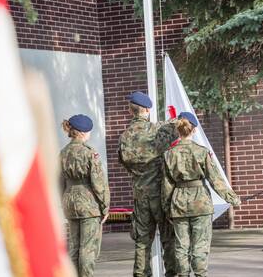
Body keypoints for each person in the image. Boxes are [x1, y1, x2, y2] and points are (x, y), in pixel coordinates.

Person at [161, 112, 241, 277]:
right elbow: (215, 179)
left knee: (181, 247)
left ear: (178, 130)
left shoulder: (169, 154)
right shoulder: (202, 152)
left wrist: (167, 208)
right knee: (200, 245)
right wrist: (233, 198)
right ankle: (200, 274)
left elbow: (167, 185)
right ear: (194, 130)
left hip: (178, 203)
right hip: (201, 203)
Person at [118, 91, 178, 277]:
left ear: (131, 111)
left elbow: (123, 162)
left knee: (142, 242)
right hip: (161, 195)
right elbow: (175, 129)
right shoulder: (156, 130)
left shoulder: (124, 137)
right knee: (168, 239)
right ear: (147, 110)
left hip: (140, 195)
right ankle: (172, 273)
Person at [60, 114, 110, 277]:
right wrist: (105, 206)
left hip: (70, 202)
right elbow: (98, 183)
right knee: (88, 248)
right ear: (82, 132)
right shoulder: (89, 153)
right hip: (89, 204)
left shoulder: (63, 153)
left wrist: (64, 201)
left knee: (74, 247)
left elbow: (59, 181)